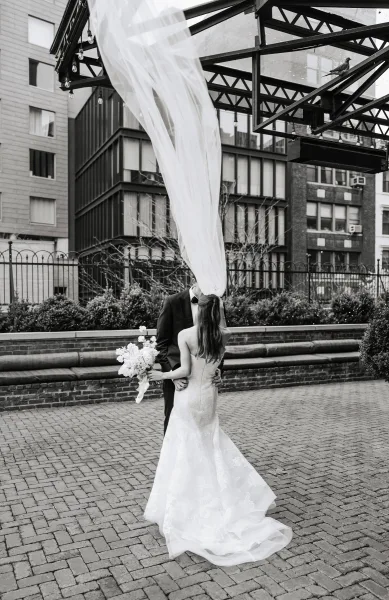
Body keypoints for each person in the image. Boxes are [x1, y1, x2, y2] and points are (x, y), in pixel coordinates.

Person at [146, 292, 292, 566]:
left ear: (200, 311)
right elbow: (214, 367)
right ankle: (218, 500)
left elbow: (185, 371)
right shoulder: (223, 335)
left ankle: (186, 507)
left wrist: (162, 375)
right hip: (210, 398)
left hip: (189, 399)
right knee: (208, 446)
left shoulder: (187, 335)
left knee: (185, 449)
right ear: (218, 312)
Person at [155, 281, 222, 435]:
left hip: (204, 384)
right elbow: (161, 345)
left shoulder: (214, 303)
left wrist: (217, 371)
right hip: (177, 378)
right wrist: (173, 377)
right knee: (173, 421)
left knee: (204, 426)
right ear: (196, 280)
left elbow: (217, 341)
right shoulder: (172, 302)